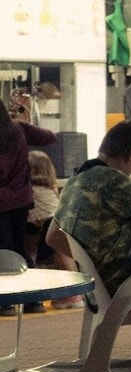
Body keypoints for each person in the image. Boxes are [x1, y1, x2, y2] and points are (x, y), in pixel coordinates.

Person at [48, 122, 131, 298]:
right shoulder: (114, 181)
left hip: (93, 289)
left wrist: (89, 263)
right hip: (127, 287)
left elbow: (52, 237)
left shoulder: (75, 181)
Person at [0, 91, 55, 258]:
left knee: (4, 251)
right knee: (18, 247)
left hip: (2, 203)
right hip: (21, 201)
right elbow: (49, 137)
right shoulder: (19, 128)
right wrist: (23, 124)